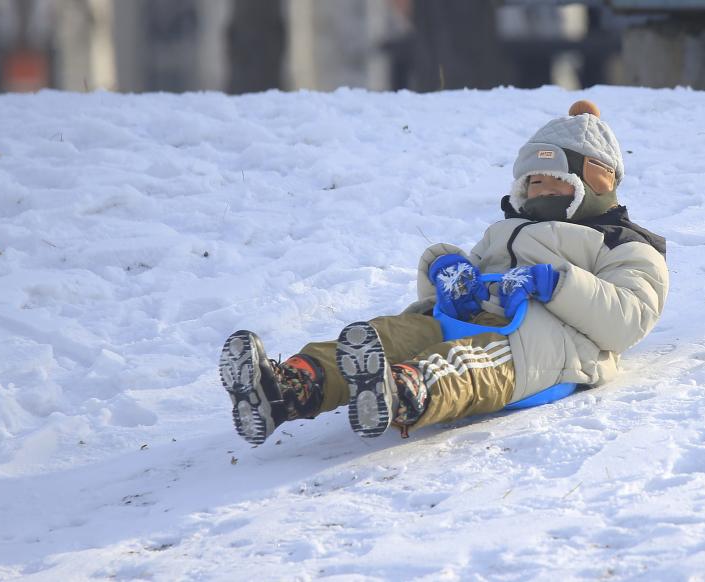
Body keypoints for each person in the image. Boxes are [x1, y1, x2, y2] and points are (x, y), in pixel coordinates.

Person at [219, 100, 669, 445]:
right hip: (469, 319)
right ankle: (290, 386)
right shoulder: (507, 229)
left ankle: (402, 389)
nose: (540, 191)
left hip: (543, 346)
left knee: (472, 361)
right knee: (391, 332)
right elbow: (473, 268)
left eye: (555, 182)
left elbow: (627, 320)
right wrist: (447, 269)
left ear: (595, 183)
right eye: (533, 182)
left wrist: (557, 283)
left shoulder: (624, 244)